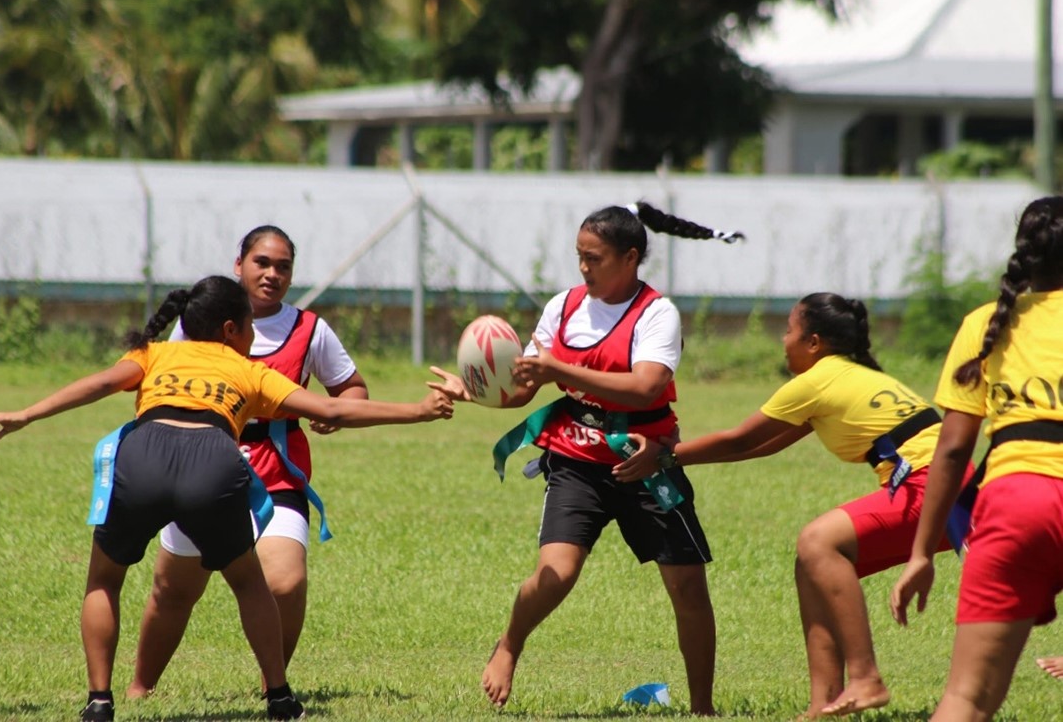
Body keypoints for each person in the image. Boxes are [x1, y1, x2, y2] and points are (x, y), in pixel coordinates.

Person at [0, 275, 461, 722]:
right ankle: (279, 697)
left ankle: (99, 700)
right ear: (233, 329)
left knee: (105, 578)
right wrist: (419, 410)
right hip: (212, 460)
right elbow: (333, 407)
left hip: (143, 454)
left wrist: (26, 414)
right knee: (249, 582)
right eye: (250, 326)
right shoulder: (249, 370)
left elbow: (98, 384)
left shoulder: (155, 354)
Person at [613, 291, 972, 718]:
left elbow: (740, 437)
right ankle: (823, 704)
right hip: (950, 483)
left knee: (817, 541)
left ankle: (866, 678)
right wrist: (678, 452)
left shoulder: (816, 381)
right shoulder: (846, 375)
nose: (783, 340)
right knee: (813, 566)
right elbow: (761, 446)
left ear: (814, 343)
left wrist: (667, 455)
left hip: (932, 484)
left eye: (789, 330)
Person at [444, 201, 740, 715]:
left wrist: (560, 367)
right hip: (576, 458)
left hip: (647, 461)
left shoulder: (657, 314)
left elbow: (645, 385)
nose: (584, 267)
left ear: (630, 258)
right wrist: (479, 389)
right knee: (556, 573)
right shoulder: (563, 306)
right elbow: (524, 383)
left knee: (688, 584)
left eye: (595, 258)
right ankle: (510, 644)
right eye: (579, 256)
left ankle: (702, 707)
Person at [127, 225, 369, 699]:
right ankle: (139, 688)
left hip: (275, 469)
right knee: (173, 590)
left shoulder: (309, 329)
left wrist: (334, 416)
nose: (272, 274)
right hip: (199, 460)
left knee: (285, 581)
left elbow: (351, 389)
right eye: (262, 262)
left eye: (283, 266)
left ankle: (272, 686)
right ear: (239, 265)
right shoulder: (193, 324)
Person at [889, 195, 1063, 720]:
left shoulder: (987, 323)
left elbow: (954, 448)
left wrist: (921, 553)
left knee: (966, 698)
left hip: (1017, 501)